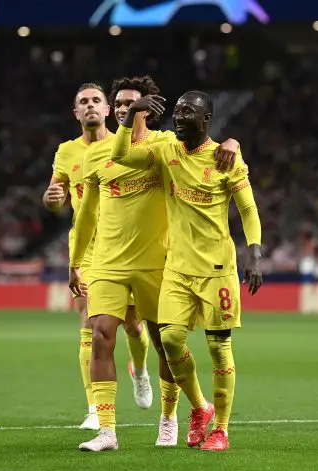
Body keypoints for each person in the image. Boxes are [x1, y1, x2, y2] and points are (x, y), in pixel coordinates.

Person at [70, 77, 240, 452]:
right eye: (120, 104)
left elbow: (208, 150)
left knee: (167, 344)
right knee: (100, 335)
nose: (124, 109)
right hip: (108, 262)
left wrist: (232, 141)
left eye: (134, 103)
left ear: (151, 108)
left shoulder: (166, 145)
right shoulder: (97, 154)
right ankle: (107, 431)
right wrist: (76, 261)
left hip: (156, 263)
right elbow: (86, 214)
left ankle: (174, 417)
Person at [107, 91, 262, 451]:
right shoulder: (166, 150)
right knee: (171, 340)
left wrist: (255, 256)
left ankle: (221, 429)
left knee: (219, 349)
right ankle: (200, 407)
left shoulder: (226, 159)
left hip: (217, 270)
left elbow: (249, 210)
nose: (178, 117)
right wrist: (131, 115)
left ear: (206, 119)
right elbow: (120, 155)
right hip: (176, 269)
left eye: (187, 112)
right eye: (176, 111)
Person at [42, 83, 152, 432]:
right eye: (83, 102)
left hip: (127, 245)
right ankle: (94, 407)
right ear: (76, 113)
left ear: (107, 110)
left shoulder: (124, 145)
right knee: (90, 323)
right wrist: (52, 198)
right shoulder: (66, 152)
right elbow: (55, 198)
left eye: (95, 101)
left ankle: (140, 370)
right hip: (89, 248)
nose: (90, 106)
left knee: (134, 324)